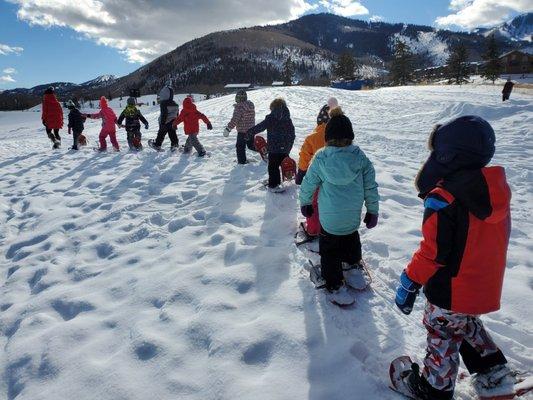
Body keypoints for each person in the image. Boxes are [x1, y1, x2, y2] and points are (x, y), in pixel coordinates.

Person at [394, 116, 513, 400]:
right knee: (466, 322)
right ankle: (493, 369)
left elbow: (432, 253)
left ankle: (434, 387)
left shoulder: (443, 198)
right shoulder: (495, 190)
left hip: (449, 289)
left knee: (442, 331)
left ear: (448, 155)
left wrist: (409, 281)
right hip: (483, 285)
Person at [299, 107, 379, 304]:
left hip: (329, 217)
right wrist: (372, 211)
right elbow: (370, 187)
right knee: (351, 239)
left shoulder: (321, 158)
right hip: (352, 217)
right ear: (350, 136)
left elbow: (309, 183)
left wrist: (306, 203)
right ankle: (353, 269)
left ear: (328, 137)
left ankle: (334, 283)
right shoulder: (360, 158)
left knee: (330, 249)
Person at [296, 97, 339, 236]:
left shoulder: (312, 137)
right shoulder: (340, 138)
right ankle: (330, 227)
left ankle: (314, 229)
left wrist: (301, 173)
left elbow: (304, 157)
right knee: (331, 202)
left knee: (313, 203)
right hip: (334, 178)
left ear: (319, 120)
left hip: (316, 177)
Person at [247, 98, 296, 191]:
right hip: (285, 147)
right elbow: (292, 134)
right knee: (282, 162)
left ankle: (274, 185)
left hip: (274, 148)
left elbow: (260, 127)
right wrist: (289, 146)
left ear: (273, 108)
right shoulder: (288, 119)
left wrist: (250, 132)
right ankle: (286, 177)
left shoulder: (271, 118)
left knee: (273, 167)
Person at [224, 90, 256, 164]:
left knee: (240, 147)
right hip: (251, 130)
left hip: (242, 131)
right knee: (251, 145)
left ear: (239, 98)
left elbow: (235, 119)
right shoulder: (250, 105)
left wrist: (228, 129)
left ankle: (242, 161)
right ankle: (262, 149)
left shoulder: (239, 108)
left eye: (237, 98)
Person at [149, 86, 179, 151]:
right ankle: (175, 145)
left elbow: (164, 114)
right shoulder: (175, 104)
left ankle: (157, 145)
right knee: (172, 134)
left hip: (165, 122)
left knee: (161, 134)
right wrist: (176, 123)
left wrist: (162, 123)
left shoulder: (164, 103)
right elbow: (177, 114)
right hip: (173, 122)